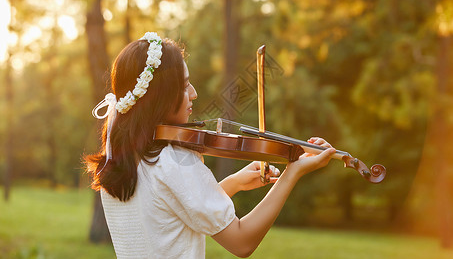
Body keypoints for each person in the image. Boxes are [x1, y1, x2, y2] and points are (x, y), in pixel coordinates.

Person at [84, 32, 336, 259]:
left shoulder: (118, 162)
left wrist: (234, 183)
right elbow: (241, 241)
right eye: (183, 85)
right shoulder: (173, 161)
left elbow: (168, 214)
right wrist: (292, 173)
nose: (193, 93)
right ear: (160, 96)